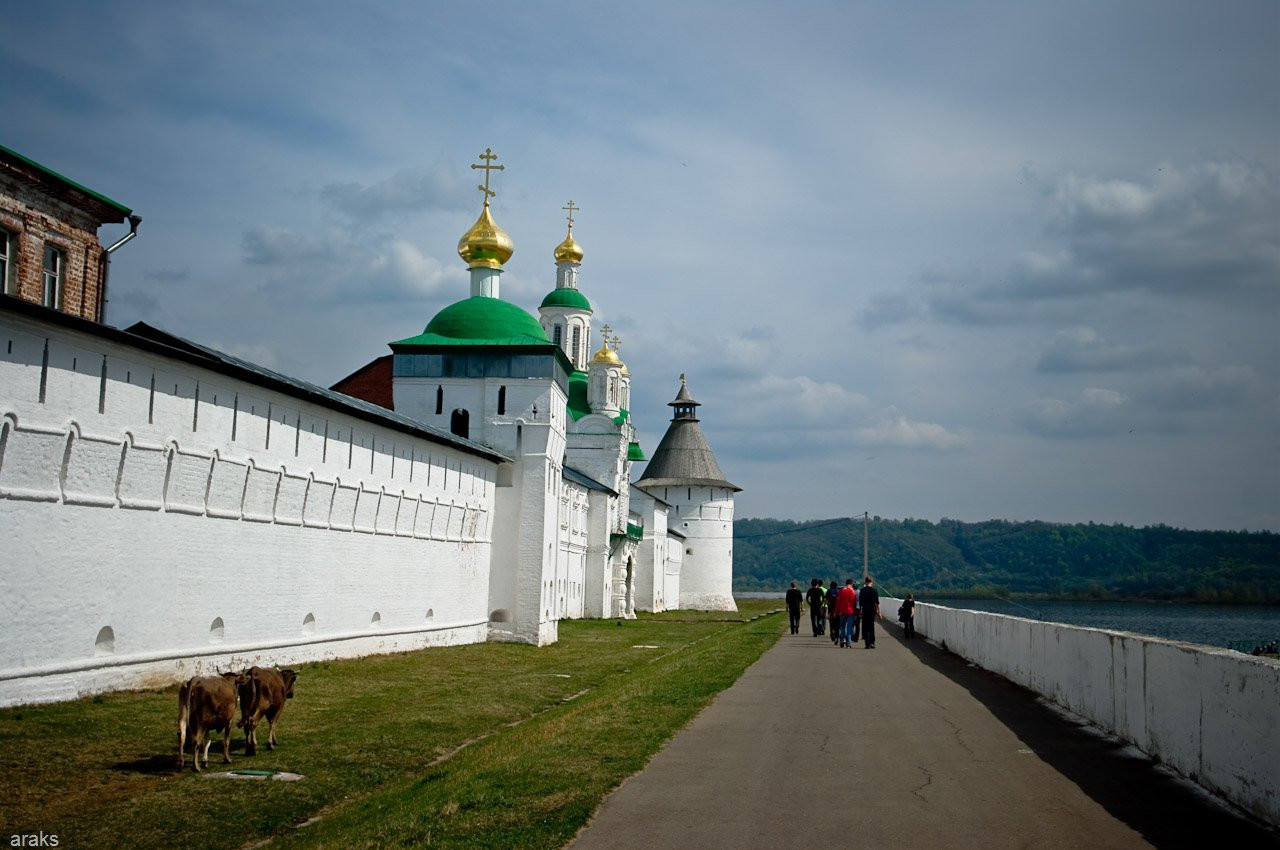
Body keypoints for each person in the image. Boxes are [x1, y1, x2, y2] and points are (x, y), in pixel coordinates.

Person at [860, 576, 881, 649]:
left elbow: (861, 603)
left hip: (865, 610)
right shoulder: (874, 591)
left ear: (865, 582)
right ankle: (872, 642)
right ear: (871, 582)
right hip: (872, 611)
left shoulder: (862, 590)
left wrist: (860, 611)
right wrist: (879, 612)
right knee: (871, 627)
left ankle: (867, 643)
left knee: (865, 627)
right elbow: (877, 603)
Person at [836, 579, 858, 647]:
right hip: (851, 612)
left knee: (842, 626)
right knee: (849, 627)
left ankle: (843, 639)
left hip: (843, 611)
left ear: (846, 583)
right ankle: (848, 642)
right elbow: (855, 603)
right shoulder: (853, 592)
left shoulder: (841, 591)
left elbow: (838, 602)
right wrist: (856, 612)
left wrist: (837, 611)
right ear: (851, 584)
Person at [826, 580, 841, 644]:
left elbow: (826, 600)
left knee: (831, 623)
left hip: (831, 609)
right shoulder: (838, 591)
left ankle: (832, 633)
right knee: (837, 624)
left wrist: (825, 606)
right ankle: (837, 637)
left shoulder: (829, 591)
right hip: (837, 610)